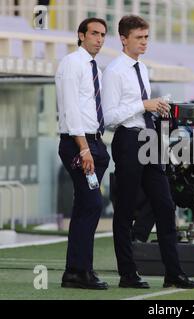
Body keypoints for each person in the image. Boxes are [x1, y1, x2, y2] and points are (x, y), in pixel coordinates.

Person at [102, 15, 194, 289]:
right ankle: (127, 273)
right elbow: (110, 117)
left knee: (165, 205)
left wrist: (158, 109)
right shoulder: (113, 71)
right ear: (124, 39)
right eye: (139, 37)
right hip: (127, 140)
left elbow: (142, 107)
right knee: (125, 210)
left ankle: (174, 273)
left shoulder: (142, 68)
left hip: (149, 138)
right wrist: (143, 105)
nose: (145, 42)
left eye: (146, 37)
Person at [56, 18, 110, 289]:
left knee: (84, 206)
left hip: (95, 143)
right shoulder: (71, 63)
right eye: (94, 34)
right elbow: (71, 109)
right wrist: (85, 148)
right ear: (81, 35)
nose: (99, 39)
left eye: (103, 35)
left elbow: (96, 109)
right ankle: (80, 271)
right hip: (78, 143)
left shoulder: (95, 69)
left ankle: (75, 272)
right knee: (92, 204)